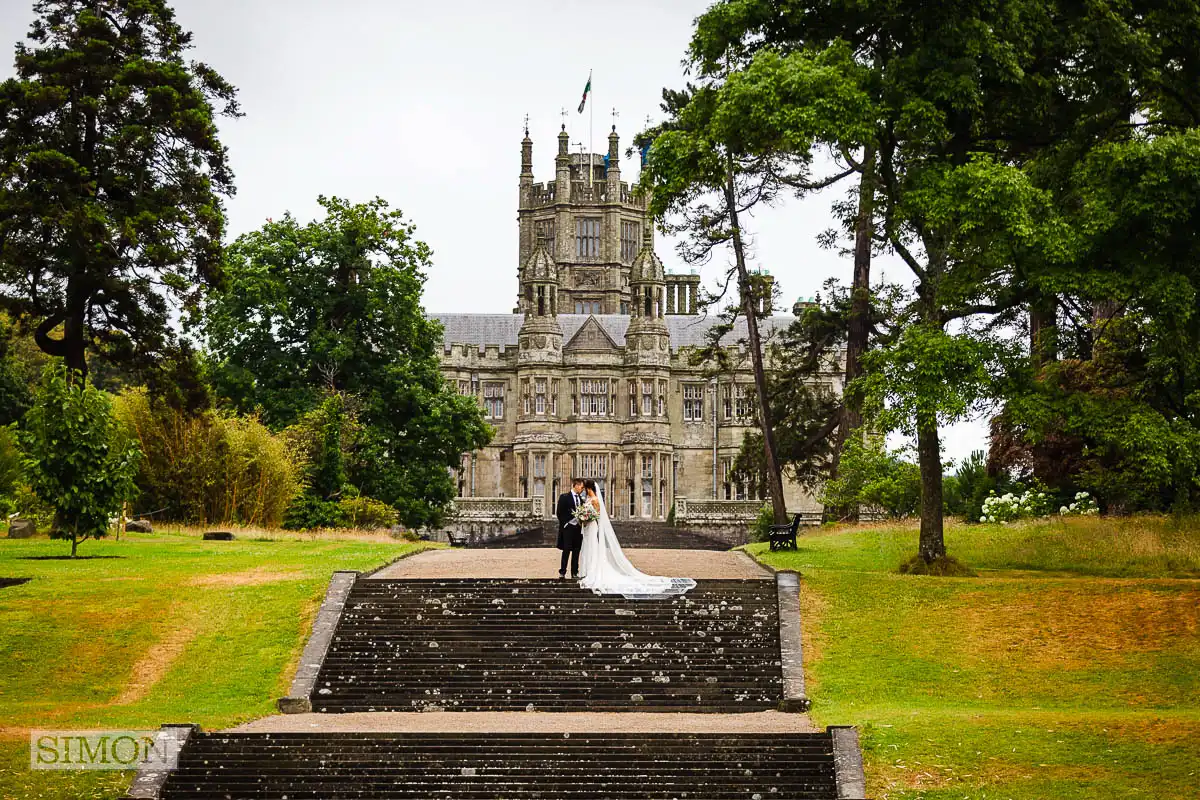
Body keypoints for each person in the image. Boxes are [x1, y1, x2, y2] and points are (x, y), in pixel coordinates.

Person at [577, 479, 696, 599]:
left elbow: (597, 515)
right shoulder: (588, 499)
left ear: (588, 488)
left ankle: (592, 572)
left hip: (592, 527)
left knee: (592, 548)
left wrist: (586, 518)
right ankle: (587, 571)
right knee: (588, 548)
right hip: (587, 529)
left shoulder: (595, 500)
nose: (583, 491)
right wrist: (582, 517)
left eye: (584, 488)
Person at [555, 478, 586, 580]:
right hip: (568, 529)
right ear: (576, 485)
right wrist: (566, 524)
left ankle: (574, 572)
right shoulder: (564, 497)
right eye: (581, 487)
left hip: (578, 529)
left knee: (576, 551)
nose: (582, 489)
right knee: (566, 550)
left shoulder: (581, 500)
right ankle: (562, 572)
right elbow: (559, 512)